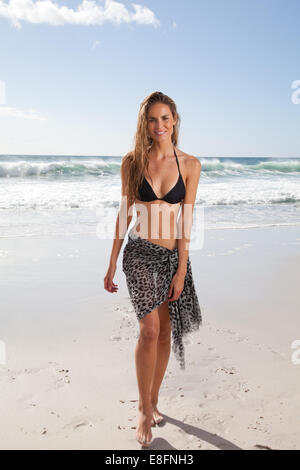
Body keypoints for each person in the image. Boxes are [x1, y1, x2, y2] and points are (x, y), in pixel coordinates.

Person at [104, 91, 202, 448]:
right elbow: (124, 213)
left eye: (165, 118)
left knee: (164, 334)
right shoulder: (132, 162)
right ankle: (144, 409)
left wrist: (181, 267)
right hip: (140, 255)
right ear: (144, 124)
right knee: (149, 331)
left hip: (171, 258)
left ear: (174, 120)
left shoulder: (190, 165)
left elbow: (186, 219)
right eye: (151, 119)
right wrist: (113, 260)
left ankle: (155, 398)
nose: (158, 125)